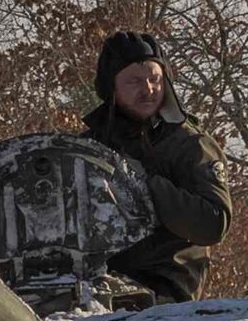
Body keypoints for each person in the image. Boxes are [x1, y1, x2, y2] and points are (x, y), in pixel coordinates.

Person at [81, 31, 231, 301]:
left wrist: (145, 184)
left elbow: (213, 223)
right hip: (94, 286)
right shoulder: (89, 147)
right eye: (135, 81)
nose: (148, 89)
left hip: (166, 289)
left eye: (155, 79)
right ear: (111, 88)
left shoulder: (188, 144)